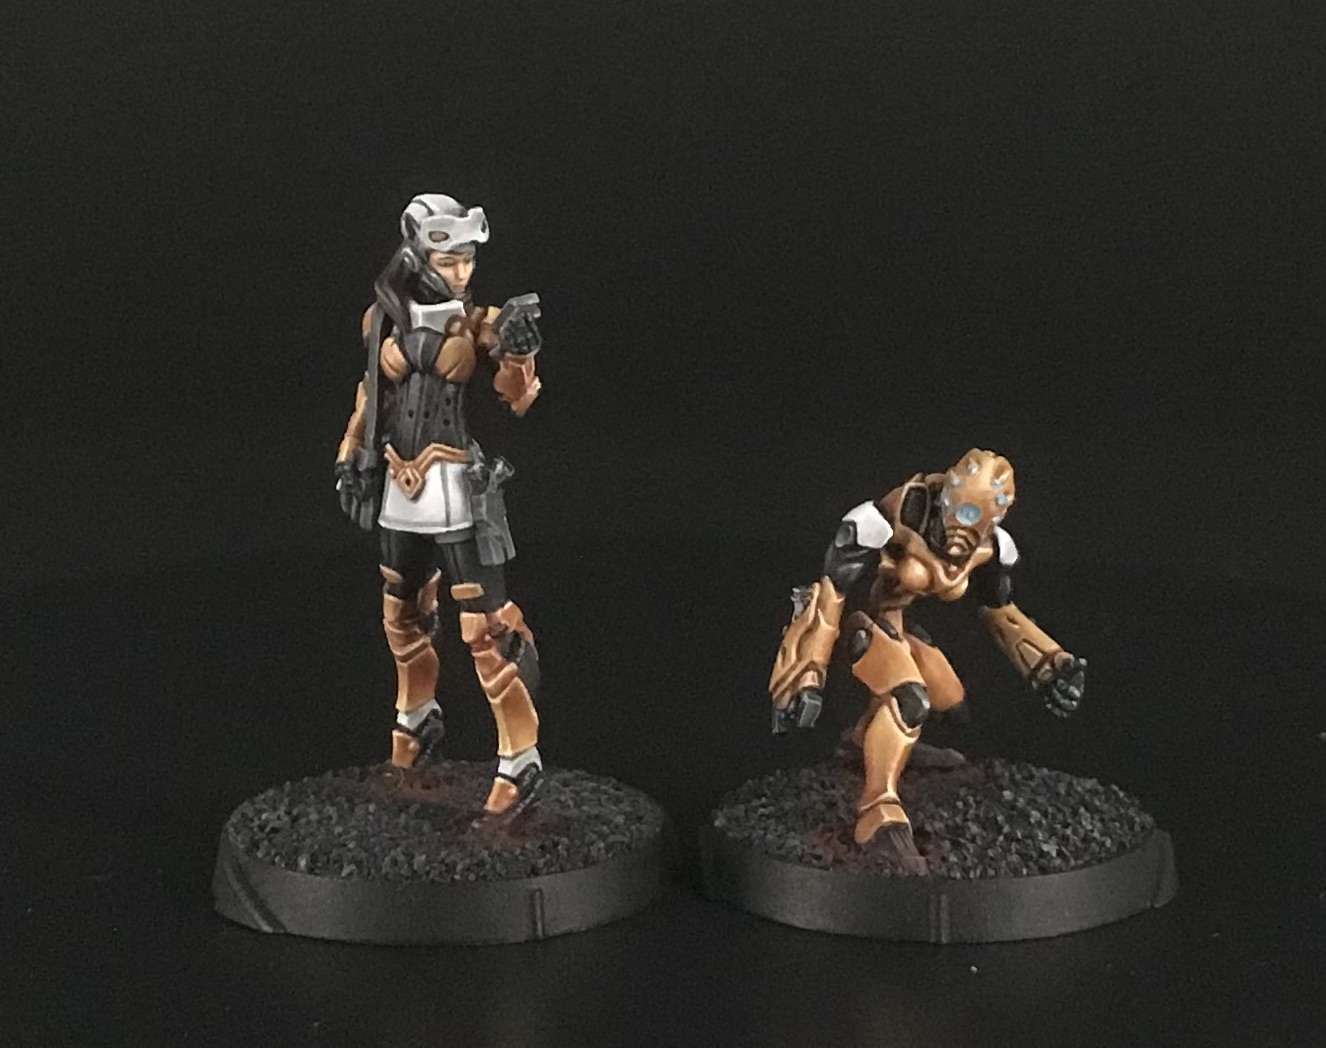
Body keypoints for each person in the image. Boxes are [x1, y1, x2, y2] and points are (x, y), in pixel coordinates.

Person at [335, 193, 546, 816]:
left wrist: (518, 353)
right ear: (417, 255)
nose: (461, 271)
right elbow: (370, 394)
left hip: (455, 482)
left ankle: (520, 756)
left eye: (468, 260)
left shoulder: (479, 322)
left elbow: (518, 397)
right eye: (448, 260)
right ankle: (415, 721)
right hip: (399, 480)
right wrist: (351, 453)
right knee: (402, 610)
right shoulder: (383, 319)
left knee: (487, 628)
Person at [769, 449, 1086, 855]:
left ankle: (865, 739)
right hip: (861, 623)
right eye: (959, 509)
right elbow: (829, 594)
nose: (961, 527)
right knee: (910, 699)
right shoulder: (886, 520)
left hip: (898, 627)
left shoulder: (992, 548)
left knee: (951, 705)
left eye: (978, 517)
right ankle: (877, 807)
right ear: (946, 493)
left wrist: (1049, 664)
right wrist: (806, 672)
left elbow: (1001, 614)